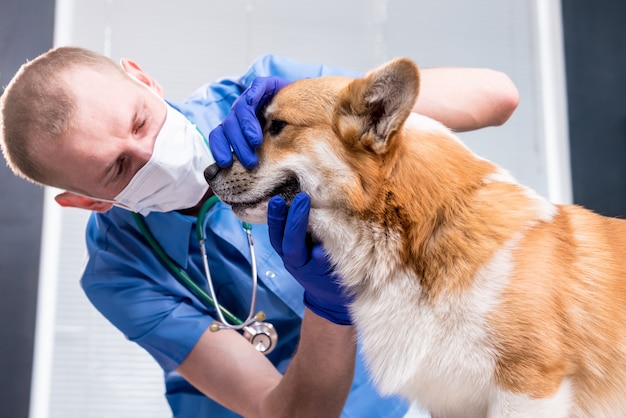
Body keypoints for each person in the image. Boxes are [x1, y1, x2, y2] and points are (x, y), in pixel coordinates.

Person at [0, 46, 519, 418]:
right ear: (87, 201)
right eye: (117, 169)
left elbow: (497, 97)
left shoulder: (266, 97)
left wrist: (323, 103)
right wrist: (327, 303)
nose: (152, 153)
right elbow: (291, 412)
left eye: (140, 121)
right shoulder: (119, 275)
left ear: (142, 78)